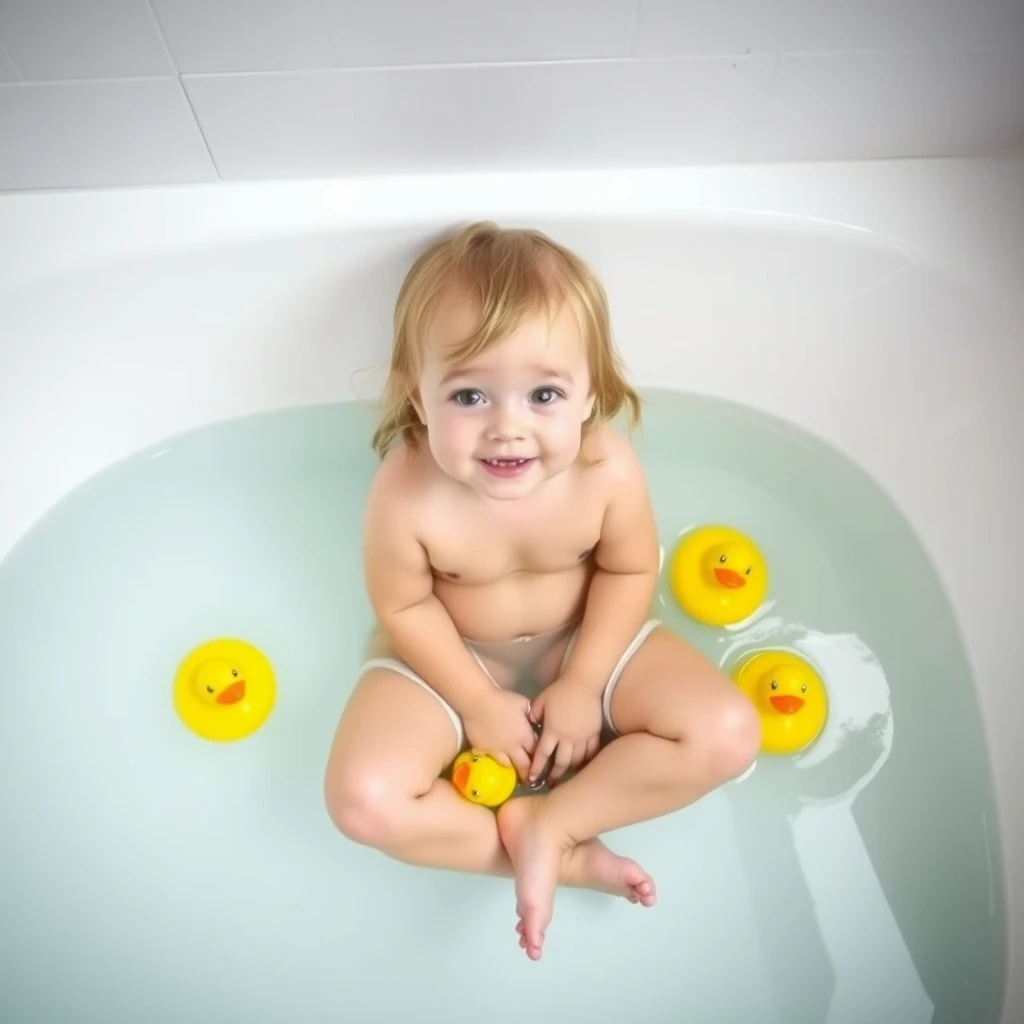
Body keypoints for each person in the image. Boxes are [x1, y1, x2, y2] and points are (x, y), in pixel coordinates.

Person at [324, 221, 760, 961]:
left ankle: (551, 824)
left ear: (592, 392)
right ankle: (559, 855)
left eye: (544, 393)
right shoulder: (405, 494)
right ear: (415, 396)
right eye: (468, 395)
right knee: (362, 801)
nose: (507, 428)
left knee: (727, 733)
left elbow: (627, 570)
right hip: (452, 659)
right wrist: (474, 701)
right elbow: (403, 606)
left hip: (589, 640)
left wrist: (586, 680)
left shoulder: (606, 470)